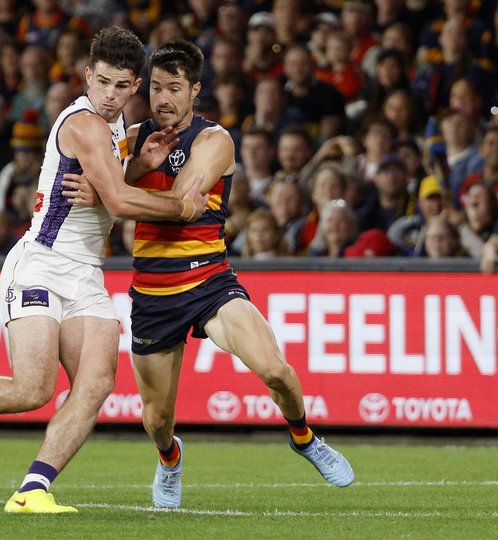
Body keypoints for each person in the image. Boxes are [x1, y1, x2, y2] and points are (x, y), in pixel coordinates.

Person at [0, 26, 209, 514]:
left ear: (135, 86)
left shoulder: (117, 126)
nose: (109, 94)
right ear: (87, 76)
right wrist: (183, 207)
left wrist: (138, 167)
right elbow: (119, 202)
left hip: (86, 273)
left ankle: (33, 489)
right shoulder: (84, 122)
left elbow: (112, 188)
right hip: (40, 263)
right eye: (102, 82)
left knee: (97, 383)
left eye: (122, 86)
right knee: (32, 389)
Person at [67, 40, 354, 509]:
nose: (163, 98)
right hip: (153, 292)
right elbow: (105, 188)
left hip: (209, 281)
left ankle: (304, 438)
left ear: (195, 90)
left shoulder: (213, 140)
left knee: (276, 370)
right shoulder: (133, 137)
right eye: (156, 87)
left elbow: (181, 206)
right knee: (158, 418)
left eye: (174, 88)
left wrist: (110, 194)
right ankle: (170, 459)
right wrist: (123, 180)